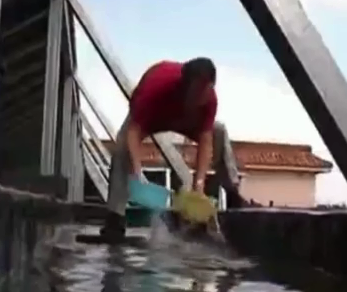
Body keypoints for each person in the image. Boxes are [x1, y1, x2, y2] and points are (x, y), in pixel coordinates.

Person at [100, 58, 247, 242]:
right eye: (195, 93)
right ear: (184, 86)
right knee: (121, 147)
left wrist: (198, 186)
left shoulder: (210, 100)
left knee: (220, 132)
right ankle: (115, 218)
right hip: (153, 117)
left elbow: (206, 141)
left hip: (186, 121)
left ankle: (232, 197)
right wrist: (137, 172)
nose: (199, 99)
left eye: (204, 92)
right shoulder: (155, 89)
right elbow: (134, 132)